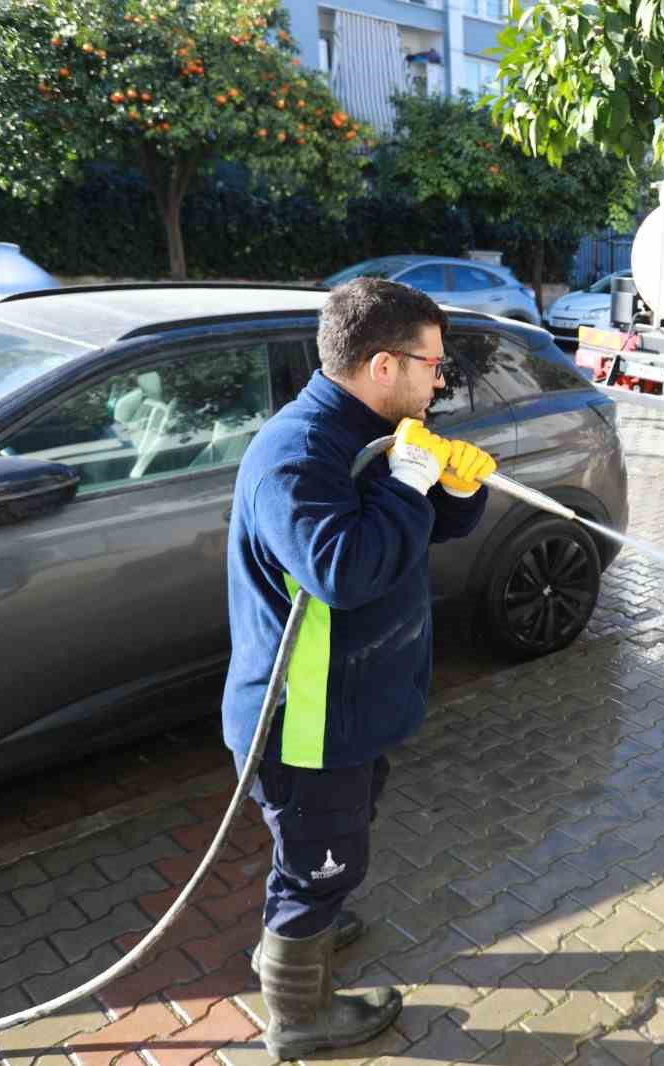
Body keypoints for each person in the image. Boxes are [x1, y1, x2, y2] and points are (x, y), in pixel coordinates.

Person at [221, 278, 495, 1059]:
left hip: (352, 707)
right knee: (317, 863)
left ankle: (306, 924)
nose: (439, 380)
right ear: (382, 364)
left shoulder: (374, 429)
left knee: (331, 843)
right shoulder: (299, 455)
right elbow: (343, 570)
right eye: (431, 364)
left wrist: (456, 489)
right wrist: (412, 478)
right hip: (306, 723)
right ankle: (299, 1014)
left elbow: (409, 529)